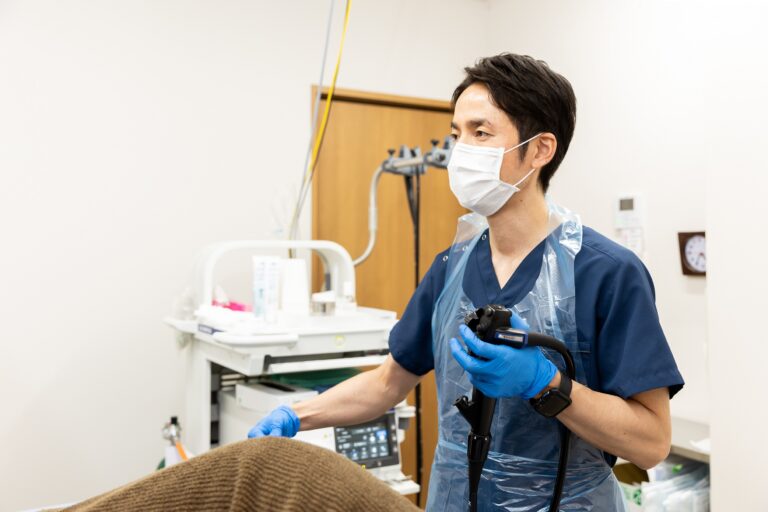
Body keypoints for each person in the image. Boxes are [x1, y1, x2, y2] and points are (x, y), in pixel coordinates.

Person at [249, 53, 684, 511]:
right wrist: (296, 416)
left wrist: (546, 383)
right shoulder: (452, 266)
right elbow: (387, 384)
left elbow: (651, 442)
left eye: (481, 133)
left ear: (540, 150)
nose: (461, 152)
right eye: (457, 135)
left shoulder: (605, 272)